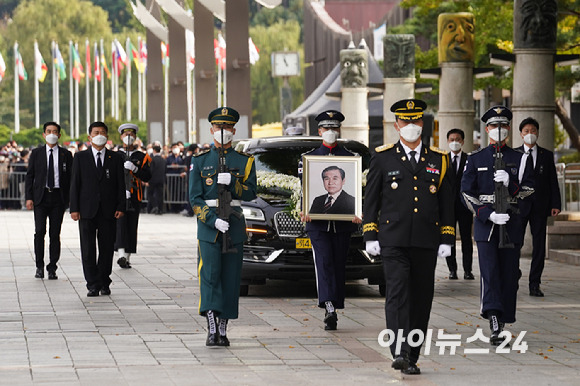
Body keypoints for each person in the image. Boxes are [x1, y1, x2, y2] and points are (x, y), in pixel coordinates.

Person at [363, 99, 454, 375]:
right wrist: (370, 234)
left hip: (426, 241)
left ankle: (412, 355)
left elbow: (447, 204)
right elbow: (372, 200)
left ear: (422, 124)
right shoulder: (382, 157)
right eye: (405, 121)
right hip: (393, 240)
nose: (411, 126)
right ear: (396, 125)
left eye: (416, 121)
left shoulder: (439, 159)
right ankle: (399, 351)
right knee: (398, 293)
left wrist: (447, 238)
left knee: (421, 297)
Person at [461, 106, 534, 345]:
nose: (498, 130)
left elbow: (530, 190)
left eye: (503, 126)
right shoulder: (476, 159)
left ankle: (503, 316)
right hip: (487, 226)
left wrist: (511, 183)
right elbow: (466, 193)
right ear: (487, 128)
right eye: (494, 126)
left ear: (509, 128)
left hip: (511, 224)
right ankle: (493, 317)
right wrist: (487, 214)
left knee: (509, 275)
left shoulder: (520, 159)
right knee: (490, 273)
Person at [189, 107, 257, 347]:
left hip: (234, 226)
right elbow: (194, 198)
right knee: (209, 277)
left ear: (234, 130)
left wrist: (235, 185)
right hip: (209, 229)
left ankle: (224, 328)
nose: (222, 131)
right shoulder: (200, 160)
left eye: (227, 127)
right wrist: (211, 219)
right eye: (218, 127)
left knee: (230, 279)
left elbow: (251, 192)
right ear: (211, 130)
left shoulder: (245, 161)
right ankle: (211, 327)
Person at [300, 110, 360, 331]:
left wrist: (357, 212)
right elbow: (303, 189)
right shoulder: (309, 157)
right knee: (323, 263)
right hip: (318, 224)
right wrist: (303, 210)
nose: (331, 132)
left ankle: (335, 303)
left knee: (338, 264)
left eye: (334, 128)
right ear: (319, 131)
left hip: (343, 223)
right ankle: (328, 307)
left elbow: (356, 190)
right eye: (327, 128)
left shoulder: (351, 158)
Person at [69, 122, 125, 297]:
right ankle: (92, 283)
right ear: (89, 137)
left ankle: (104, 281)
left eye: (102, 132)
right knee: (88, 248)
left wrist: (121, 206)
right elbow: (75, 184)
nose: (99, 135)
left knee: (107, 247)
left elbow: (120, 184)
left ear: (107, 137)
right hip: (86, 210)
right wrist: (74, 208)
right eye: (96, 132)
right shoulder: (80, 158)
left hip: (108, 210)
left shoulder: (115, 158)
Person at [516, 117, 561, 297]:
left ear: (538, 133)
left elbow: (552, 182)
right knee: (514, 243)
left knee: (539, 246)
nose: (530, 134)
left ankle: (535, 283)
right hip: (518, 206)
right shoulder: (515, 154)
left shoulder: (546, 155)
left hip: (540, 206)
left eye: (533, 130)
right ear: (521, 134)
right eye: (526, 131)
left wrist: (555, 204)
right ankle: (513, 273)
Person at [25, 122, 73, 280]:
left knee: (55, 233)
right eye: (48, 131)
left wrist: (71, 200)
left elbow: (71, 178)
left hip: (58, 198)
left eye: (55, 131)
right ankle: (39, 265)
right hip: (41, 197)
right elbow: (30, 176)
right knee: (39, 232)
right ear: (44, 134)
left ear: (59, 135)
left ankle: (52, 267)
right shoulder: (37, 153)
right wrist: (29, 197)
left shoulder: (66, 154)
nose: (52, 134)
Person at [114, 123, 152, 269]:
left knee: (131, 225)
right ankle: (121, 254)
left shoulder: (141, 157)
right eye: (125, 134)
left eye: (131, 135)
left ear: (135, 137)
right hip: (118, 195)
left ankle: (127, 256)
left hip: (135, 195)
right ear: (121, 136)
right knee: (119, 225)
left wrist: (135, 169)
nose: (128, 137)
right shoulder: (116, 155)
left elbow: (147, 176)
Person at [445, 128, 475, 280]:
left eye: (457, 139)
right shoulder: (443, 160)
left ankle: (468, 270)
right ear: (447, 141)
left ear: (462, 142)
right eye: (452, 139)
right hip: (448, 207)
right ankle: (452, 270)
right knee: (449, 238)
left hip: (464, 206)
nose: (455, 142)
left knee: (466, 239)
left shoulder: (469, 159)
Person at [147, 145, 166, 215]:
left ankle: (155, 205)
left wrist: (147, 180)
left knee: (150, 193)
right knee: (160, 195)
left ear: (154, 150)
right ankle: (160, 209)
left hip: (153, 180)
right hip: (161, 179)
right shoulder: (163, 160)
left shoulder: (152, 160)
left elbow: (150, 170)